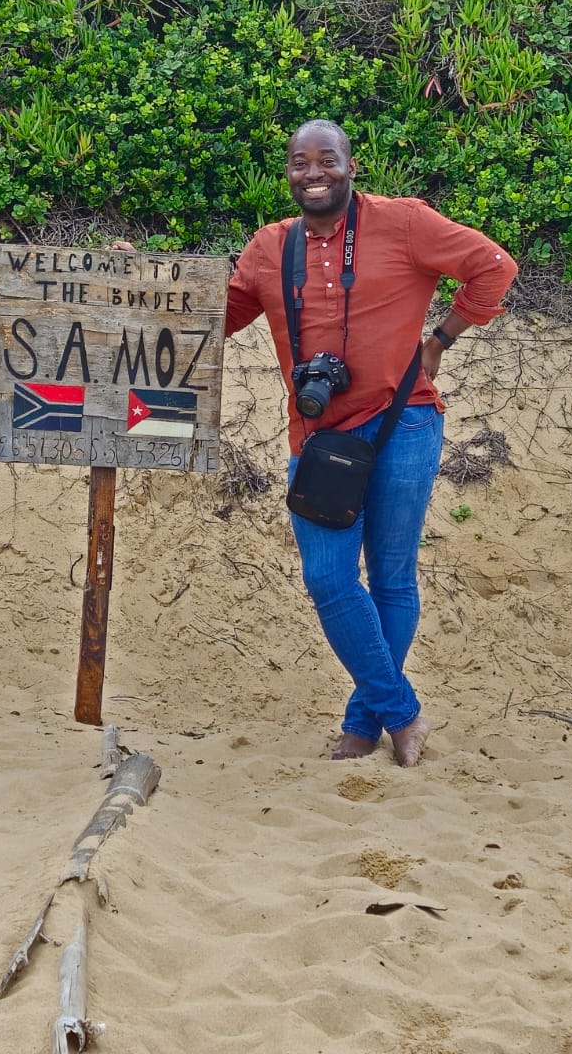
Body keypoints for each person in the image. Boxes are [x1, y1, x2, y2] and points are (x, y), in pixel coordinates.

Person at [224, 119, 518, 766]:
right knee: (329, 579)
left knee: (390, 577)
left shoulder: (404, 222)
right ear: (288, 173)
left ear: (351, 165)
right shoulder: (270, 248)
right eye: (299, 163)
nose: (313, 173)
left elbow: (494, 268)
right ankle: (402, 712)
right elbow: (212, 318)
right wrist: (136, 277)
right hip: (319, 435)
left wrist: (439, 342)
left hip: (404, 421)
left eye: (325, 160)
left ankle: (363, 724)